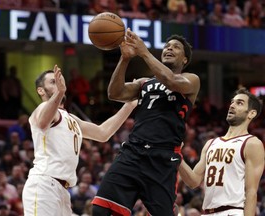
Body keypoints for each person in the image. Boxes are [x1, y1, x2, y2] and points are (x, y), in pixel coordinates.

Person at [92, 29, 200, 216]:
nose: (169, 48)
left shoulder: (191, 79)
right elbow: (115, 93)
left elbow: (171, 80)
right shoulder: (145, 83)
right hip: (132, 152)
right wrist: (124, 59)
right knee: (101, 210)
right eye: (167, 46)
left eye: (176, 47)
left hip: (162, 158)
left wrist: (143, 52)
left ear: (184, 60)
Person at [22, 65, 137, 216]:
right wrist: (60, 92)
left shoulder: (71, 118)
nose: (57, 83)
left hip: (62, 190)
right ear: (40, 90)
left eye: (59, 81)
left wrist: (130, 105)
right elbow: (43, 121)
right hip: (44, 184)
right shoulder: (42, 109)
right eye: (52, 82)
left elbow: (103, 133)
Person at [178, 88, 264, 216]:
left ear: (251, 114)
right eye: (232, 102)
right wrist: (176, 154)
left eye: (239, 103)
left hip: (233, 211)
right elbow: (193, 181)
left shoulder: (252, 143)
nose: (232, 105)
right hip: (207, 212)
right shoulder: (210, 143)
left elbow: (251, 192)